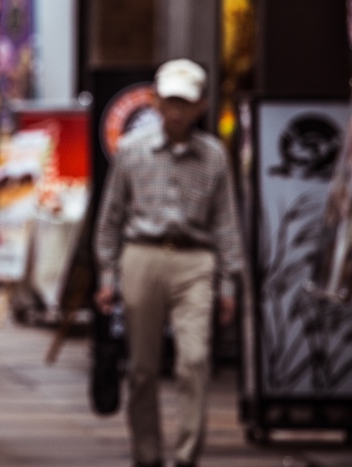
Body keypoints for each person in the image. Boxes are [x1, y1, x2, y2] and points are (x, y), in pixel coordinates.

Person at [93, 59, 246, 467]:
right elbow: (110, 217)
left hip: (196, 260)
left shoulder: (214, 156)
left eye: (186, 102)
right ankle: (147, 455)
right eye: (170, 101)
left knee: (194, 360)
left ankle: (186, 455)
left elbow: (226, 223)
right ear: (157, 102)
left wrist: (229, 285)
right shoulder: (131, 151)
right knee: (142, 367)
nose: (177, 110)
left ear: (201, 105)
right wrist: (107, 277)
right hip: (141, 256)